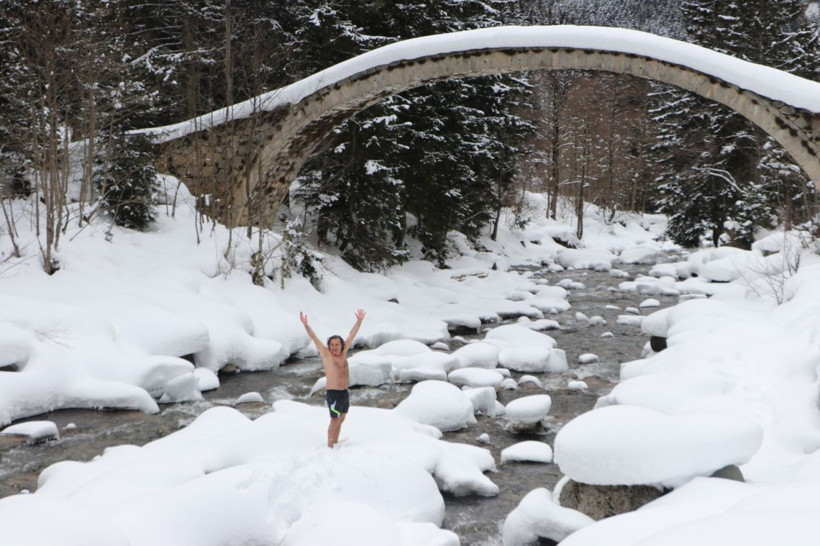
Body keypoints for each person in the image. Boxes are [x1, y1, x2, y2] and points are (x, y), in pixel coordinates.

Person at [299, 309, 366, 448]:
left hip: (344, 393)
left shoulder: (343, 352)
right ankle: (330, 446)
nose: (334, 347)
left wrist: (359, 321)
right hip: (333, 394)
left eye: (337, 344)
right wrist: (306, 325)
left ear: (341, 345)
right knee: (334, 420)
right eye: (332, 344)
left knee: (342, 418)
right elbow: (315, 338)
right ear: (329, 346)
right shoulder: (326, 354)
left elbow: (351, 335)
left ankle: (335, 442)